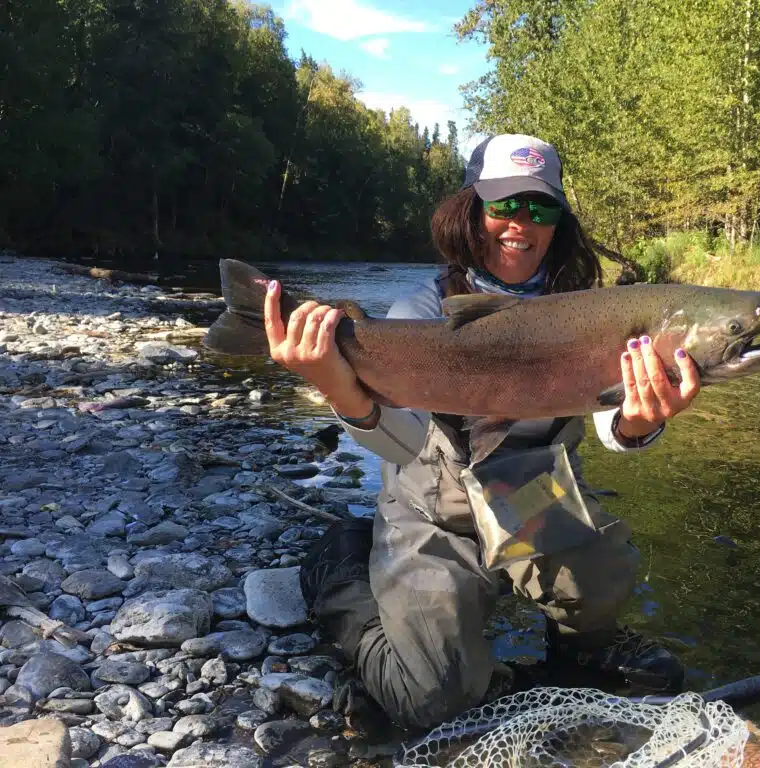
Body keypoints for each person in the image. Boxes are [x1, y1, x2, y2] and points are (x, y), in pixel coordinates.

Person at [262, 134, 702, 731]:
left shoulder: (590, 312)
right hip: (433, 510)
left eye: (541, 208)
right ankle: (343, 570)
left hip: (529, 498)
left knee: (604, 573)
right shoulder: (420, 311)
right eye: (504, 206)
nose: (521, 224)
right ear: (472, 212)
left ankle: (582, 645)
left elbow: (608, 422)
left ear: (559, 222)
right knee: (432, 701)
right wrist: (335, 384)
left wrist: (638, 421)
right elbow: (405, 444)